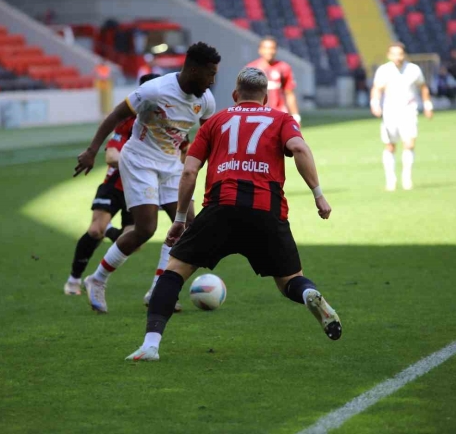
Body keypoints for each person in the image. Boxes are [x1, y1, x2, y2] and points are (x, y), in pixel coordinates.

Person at [125, 67, 341, 361]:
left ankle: (151, 345)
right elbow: (300, 149)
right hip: (267, 210)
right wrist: (318, 195)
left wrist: (179, 220)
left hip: (220, 208)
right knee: (290, 280)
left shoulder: (215, 121)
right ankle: (307, 295)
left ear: (234, 95)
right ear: (265, 98)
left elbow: (189, 170)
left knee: (174, 271)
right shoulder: (281, 119)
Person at [73, 42, 220, 313]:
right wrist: (92, 150)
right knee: (146, 229)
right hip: (139, 161)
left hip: (171, 166)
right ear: (193, 69)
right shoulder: (155, 90)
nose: (212, 80)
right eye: (209, 73)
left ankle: (156, 290)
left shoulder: (205, 100)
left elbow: (207, 136)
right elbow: (116, 115)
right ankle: (97, 279)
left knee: (188, 226)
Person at [64, 73, 161, 297]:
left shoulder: (165, 121)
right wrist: (141, 162)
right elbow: (110, 156)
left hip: (137, 190)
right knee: (95, 230)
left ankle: (107, 234)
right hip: (115, 184)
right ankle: (73, 280)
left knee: (136, 242)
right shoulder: (129, 120)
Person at [370, 42, 433, 191]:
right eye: (394, 54)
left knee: (409, 144)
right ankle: (391, 179)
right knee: (390, 146)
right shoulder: (384, 71)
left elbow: (423, 87)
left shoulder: (413, 70)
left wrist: (428, 105)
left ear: (404, 55)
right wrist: (375, 104)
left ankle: (407, 178)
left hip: (409, 110)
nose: (397, 57)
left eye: (400, 54)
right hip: (390, 111)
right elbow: (377, 89)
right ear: (389, 55)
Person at [246, 36, 301, 123]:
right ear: (260, 50)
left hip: (279, 114)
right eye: (266, 48)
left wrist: (296, 116)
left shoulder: (284, 67)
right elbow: (245, 95)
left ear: (276, 50)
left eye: (272, 48)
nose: (269, 51)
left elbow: (289, 93)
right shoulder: (251, 69)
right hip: (258, 115)